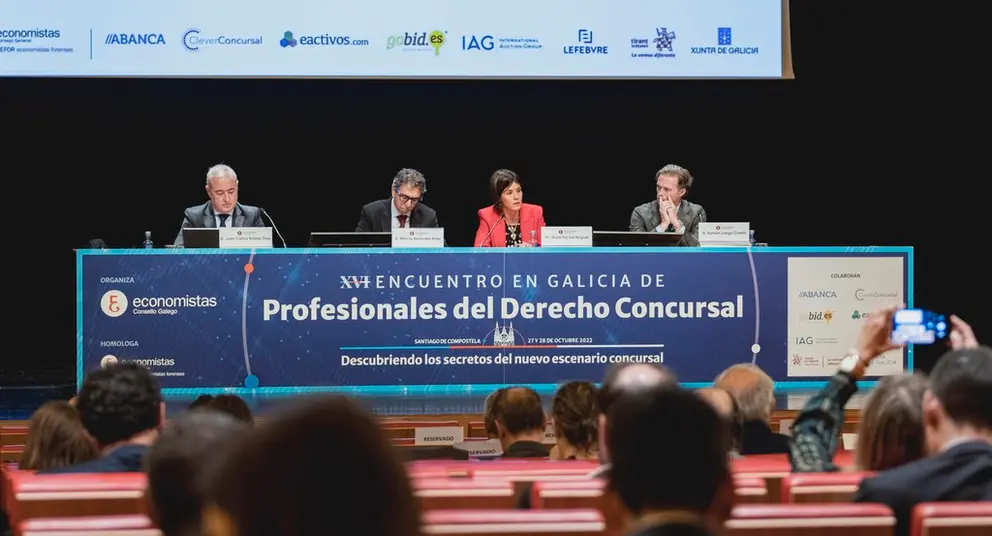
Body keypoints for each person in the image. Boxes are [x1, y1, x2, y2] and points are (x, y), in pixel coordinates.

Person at [173, 164, 266, 247]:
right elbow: (178, 252)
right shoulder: (194, 217)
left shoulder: (252, 215)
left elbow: (267, 253)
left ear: (237, 186)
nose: (227, 199)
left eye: (231, 191)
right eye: (219, 193)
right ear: (208, 191)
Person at [629, 164, 707, 246]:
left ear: (681, 192)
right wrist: (663, 225)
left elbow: (697, 247)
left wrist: (677, 224)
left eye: (666, 189)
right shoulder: (640, 212)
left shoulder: (696, 212)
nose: (660, 193)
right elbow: (637, 247)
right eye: (659, 187)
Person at [474, 169, 545, 247]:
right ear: (498, 197)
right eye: (509, 193)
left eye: (518, 191)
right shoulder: (487, 215)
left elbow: (544, 246)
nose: (516, 197)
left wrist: (529, 249)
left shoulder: (535, 212)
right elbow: (480, 249)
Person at [355, 168, 440, 232]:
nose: (408, 204)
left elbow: (442, 251)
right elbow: (358, 247)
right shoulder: (372, 212)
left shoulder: (428, 216)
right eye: (404, 197)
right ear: (393, 191)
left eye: (414, 199)